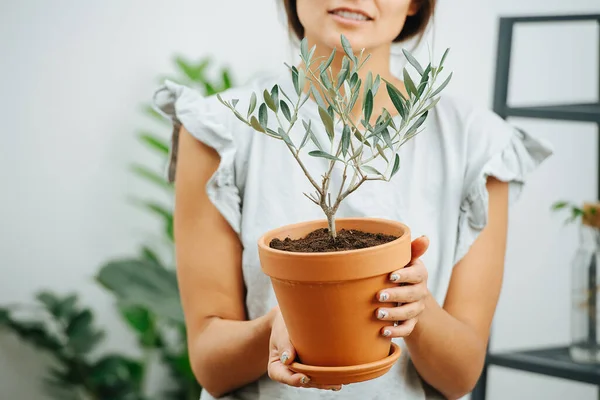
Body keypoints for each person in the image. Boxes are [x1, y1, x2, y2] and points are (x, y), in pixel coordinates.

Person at [153, 0, 552, 399]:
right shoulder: (220, 129)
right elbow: (211, 365)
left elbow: (460, 376)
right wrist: (280, 326)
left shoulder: (477, 144)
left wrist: (416, 308)